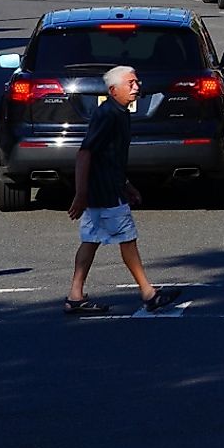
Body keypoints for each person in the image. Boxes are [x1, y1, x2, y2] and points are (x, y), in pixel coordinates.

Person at [66, 65, 174, 316]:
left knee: (90, 240)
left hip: (109, 187)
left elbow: (109, 157)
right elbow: (85, 154)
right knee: (127, 239)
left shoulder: (120, 113)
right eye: (131, 83)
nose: (137, 87)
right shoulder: (108, 115)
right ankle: (148, 293)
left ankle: (75, 295)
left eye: (137, 82)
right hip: (104, 192)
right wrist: (81, 194)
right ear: (113, 90)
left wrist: (127, 185)